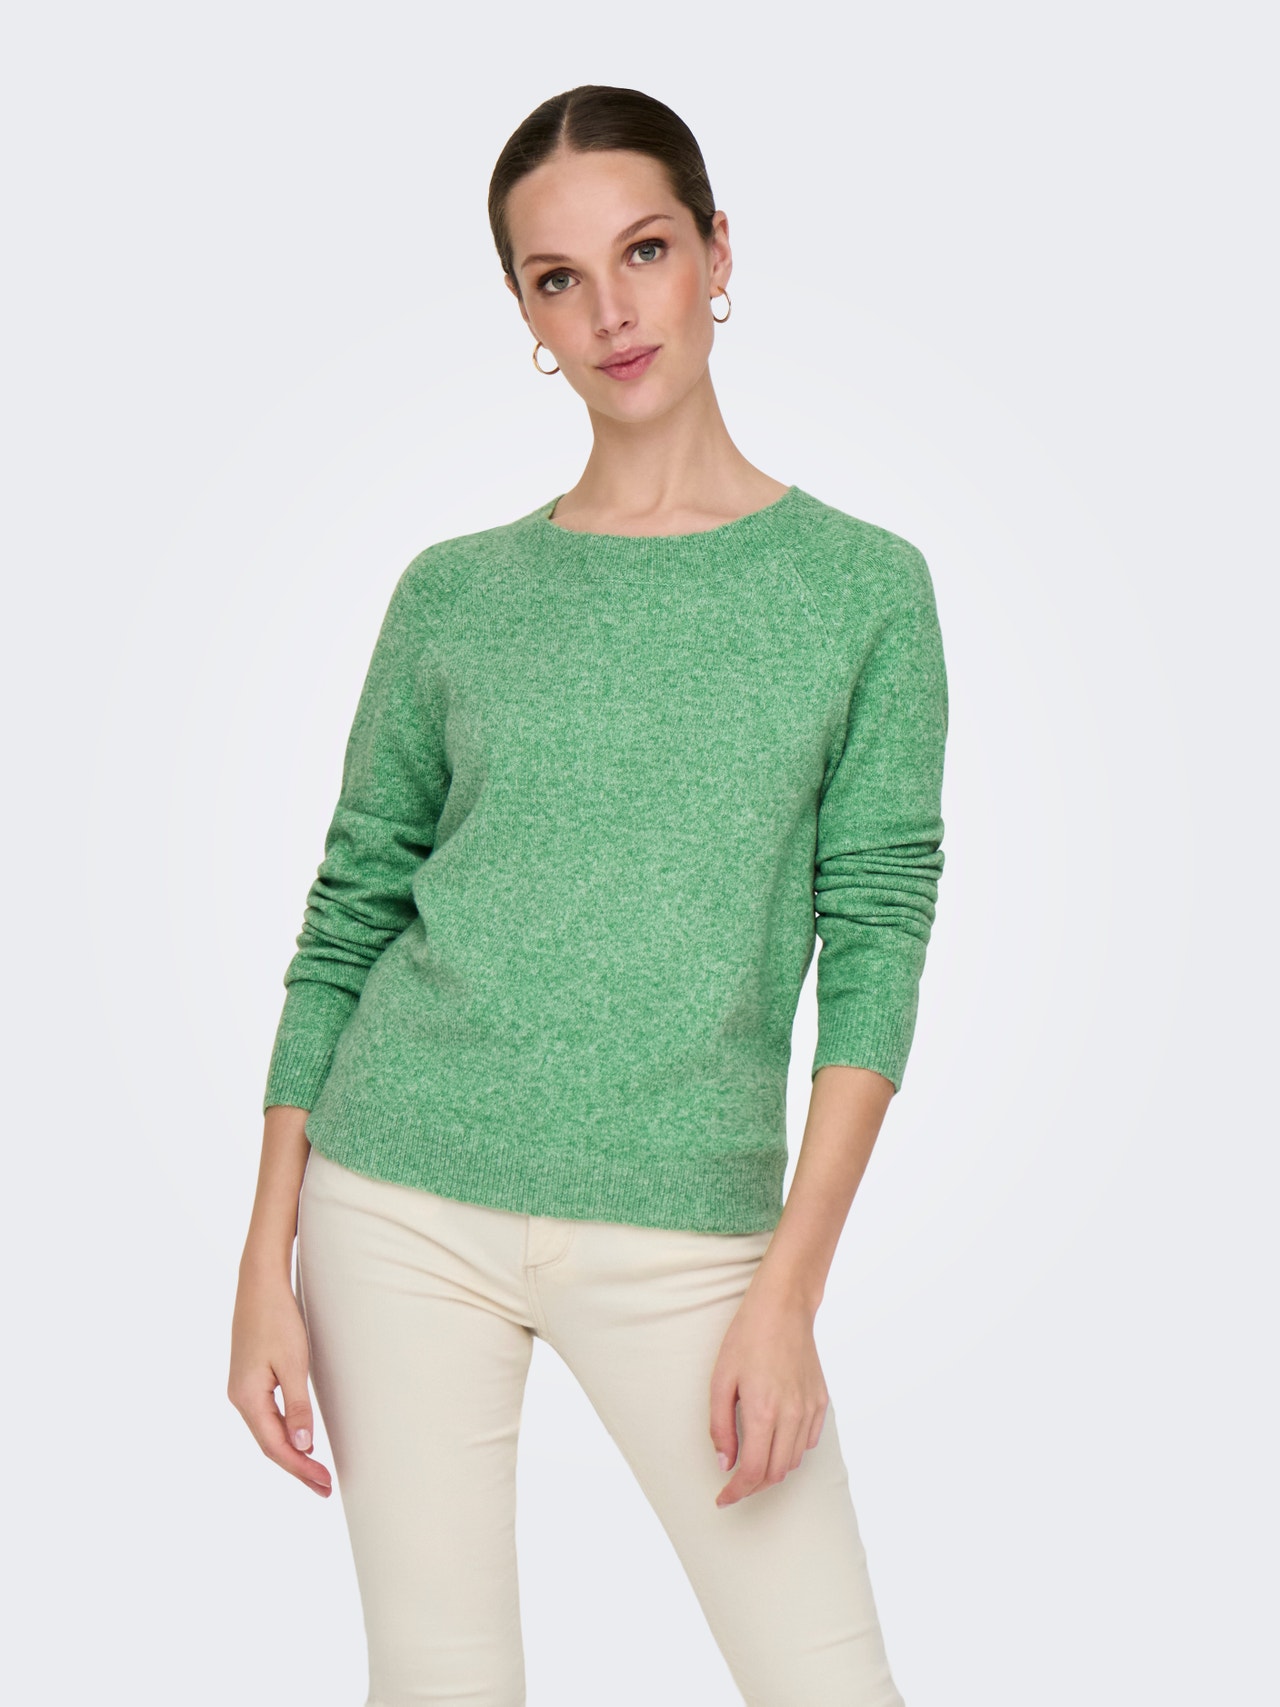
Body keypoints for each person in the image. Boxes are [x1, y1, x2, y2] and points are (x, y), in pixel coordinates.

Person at [228, 83, 948, 1707]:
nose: (612, 310)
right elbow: (348, 914)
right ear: (526, 313)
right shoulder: (456, 594)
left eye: (645, 251)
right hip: (397, 1198)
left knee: (829, 1683)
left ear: (717, 255)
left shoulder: (864, 590)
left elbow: (878, 938)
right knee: (440, 1685)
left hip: (689, 1227)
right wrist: (265, 1258)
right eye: (559, 278)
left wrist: (788, 1292)